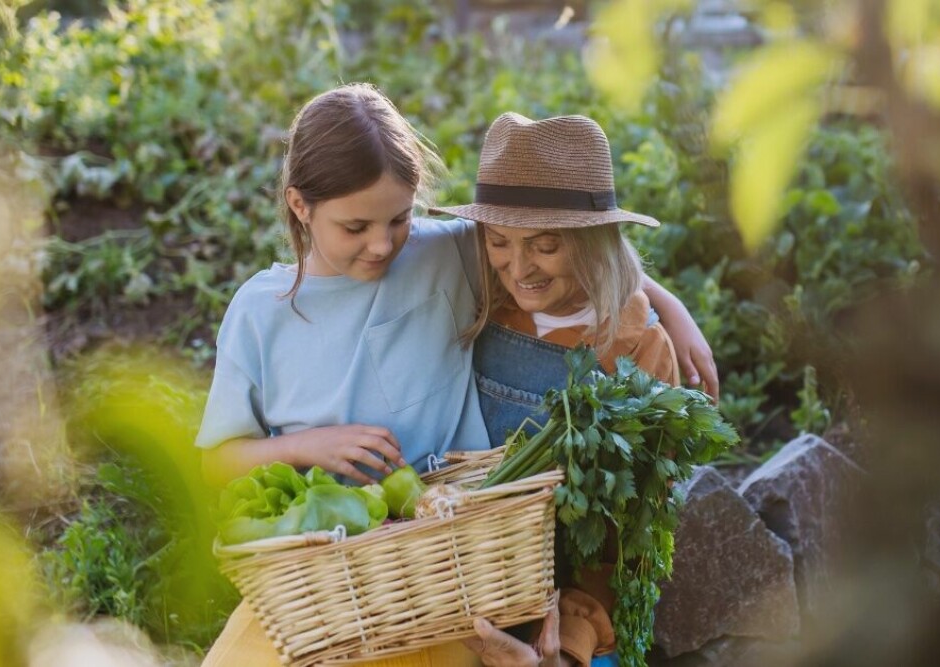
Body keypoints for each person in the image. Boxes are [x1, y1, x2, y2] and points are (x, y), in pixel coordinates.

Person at [196, 85, 715, 667]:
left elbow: (577, 254)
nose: (381, 244)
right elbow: (217, 459)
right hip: (326, 585)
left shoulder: (435, 253)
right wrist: (307, 446)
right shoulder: (259, 312)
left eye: (398, 218)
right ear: (299, 205)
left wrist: (671, 309)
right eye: (354, 226)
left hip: (451, 569)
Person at [432, 113, 690, 667]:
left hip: (565, 617)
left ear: (593, 241)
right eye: (499, 241)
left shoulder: (637, 351)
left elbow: (626, 539)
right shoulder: (481, 303)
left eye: (544, 246)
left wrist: (567, 646)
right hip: (454, 592)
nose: (518, 268)